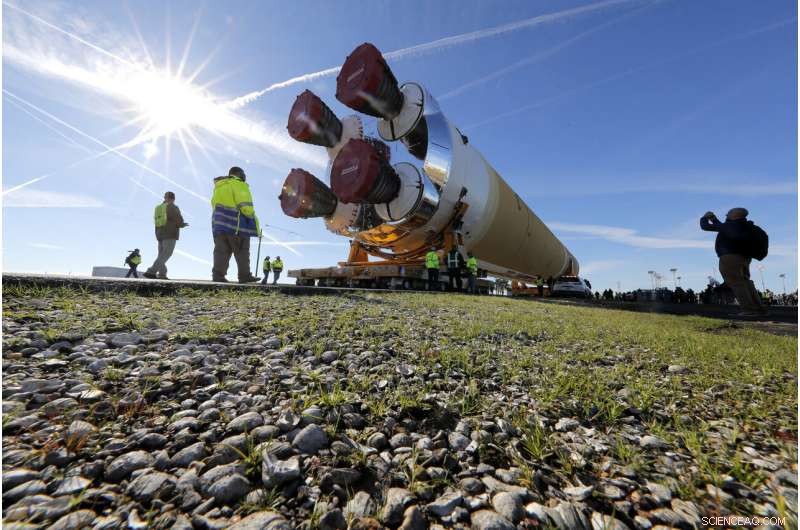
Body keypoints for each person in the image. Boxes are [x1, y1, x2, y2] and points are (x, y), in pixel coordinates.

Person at [700, 208, 767, 316]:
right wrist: (714, 219)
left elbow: (705, 227)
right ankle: (759, 308)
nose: (726, 215)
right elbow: (723, 228)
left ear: (735, 216)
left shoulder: (731, 226)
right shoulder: (743, 226)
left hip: (730, 257)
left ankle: (749, 310)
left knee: (736, 282)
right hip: (744, 257)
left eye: (728, 214)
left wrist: (704, 218)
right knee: (745, 282)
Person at [211, 166, 261, 283]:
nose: (244, 176)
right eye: (243, 173)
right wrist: (253, 221)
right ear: (238, 173)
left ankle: (218, 276)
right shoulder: (238, 184)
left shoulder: (219, 186)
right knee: (242, 251)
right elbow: (246, 206)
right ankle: (244, 276)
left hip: (219, 226)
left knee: (221, 251)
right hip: (236, 224)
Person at [143, 191, 188, 280]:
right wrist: (182, 224)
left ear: (165, 198)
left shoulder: (159, 207)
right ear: (173, 198)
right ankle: (151, 271)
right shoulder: (172, 207)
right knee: (167, 253)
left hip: (159, 234)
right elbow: (178, 219)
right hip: (169, 233)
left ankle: (162, 274)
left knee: (161, 255)